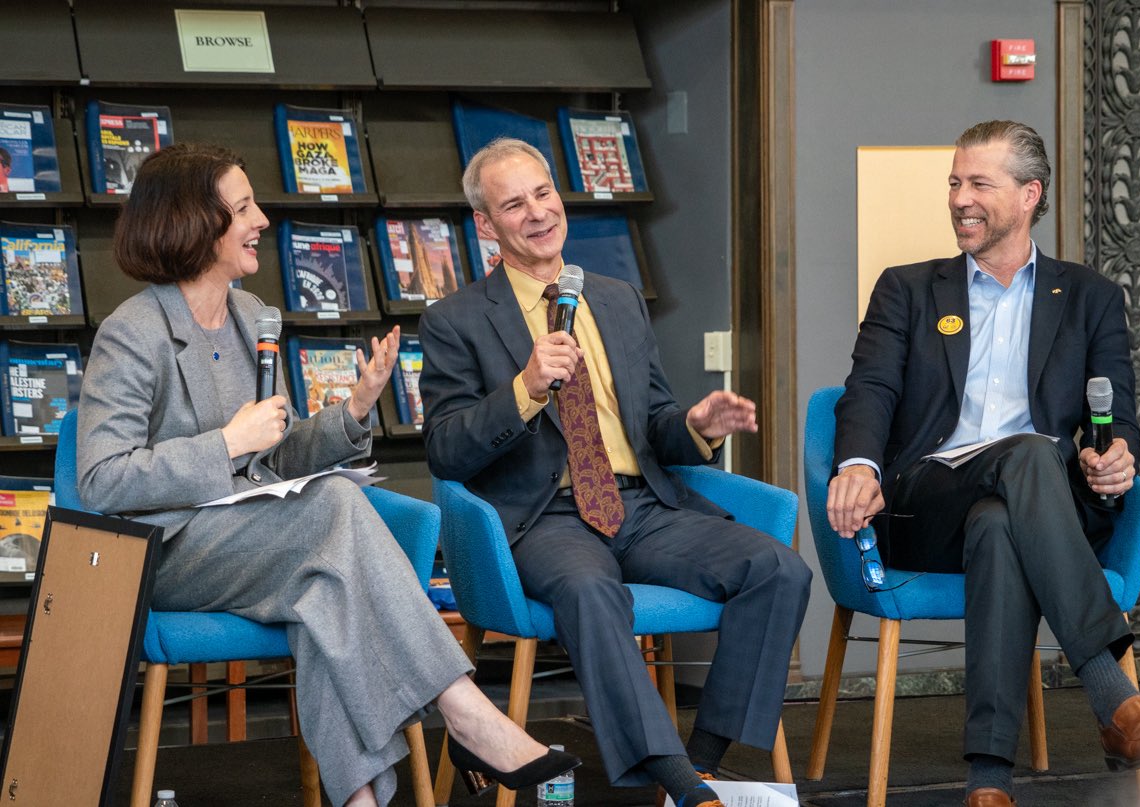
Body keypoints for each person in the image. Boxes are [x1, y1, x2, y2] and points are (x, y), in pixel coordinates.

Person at [75, 143, 579, 807]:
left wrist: (353, 410)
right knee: (337, 508)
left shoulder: (250, 315)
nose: (262, 220)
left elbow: (273, 460)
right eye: (244, 207)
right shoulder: (132, 332)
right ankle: (464, 710)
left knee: (325, 599)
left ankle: (361, 798)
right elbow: (101, 480)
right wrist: (225, 442)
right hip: (165, 551)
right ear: (197, 223)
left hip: (257, 540)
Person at [420, 137, 812, 807]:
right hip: (546, 519)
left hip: (642, 506)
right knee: (591, 591)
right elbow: (448, 449)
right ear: (486, 224)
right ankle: (684, 786)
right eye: (515, 204)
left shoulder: (618, 297)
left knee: (778, 568)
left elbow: (655, 417)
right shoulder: (455, 320)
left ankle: (702, 758)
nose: (539, 213)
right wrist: (525, 388)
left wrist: (696, 425)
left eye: (544, 193)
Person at [826, 120, 1140, 807]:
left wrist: (1117, 455)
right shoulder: (907, 289)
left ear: (1029, 194)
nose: (959, 198)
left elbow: (1113, 414)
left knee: (999, 521)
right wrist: (858, 465)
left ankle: (988, 781)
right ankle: (1116, 700)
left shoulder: (1089, 297)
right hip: (927, 498)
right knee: (1025, 455)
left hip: (1031, 505)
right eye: (953, 182)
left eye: (978, 183)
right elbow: (869, 390)